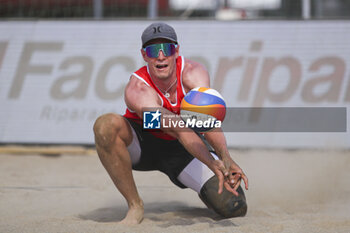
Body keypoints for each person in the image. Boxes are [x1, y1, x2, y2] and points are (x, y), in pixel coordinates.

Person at [93, 22, 248, 225]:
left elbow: (206, 122)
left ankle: (205, 190)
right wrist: (211, 162)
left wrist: (225, 159)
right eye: (152, 50)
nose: (160, 56)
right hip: (143, 144)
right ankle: (134, 205)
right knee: (105, 125)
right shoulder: (138, 88)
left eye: (166, 48)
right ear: (144, 55)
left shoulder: (194, 73)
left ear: (176, 51)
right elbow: (178, 129)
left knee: (233, 207)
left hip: (181, 150)